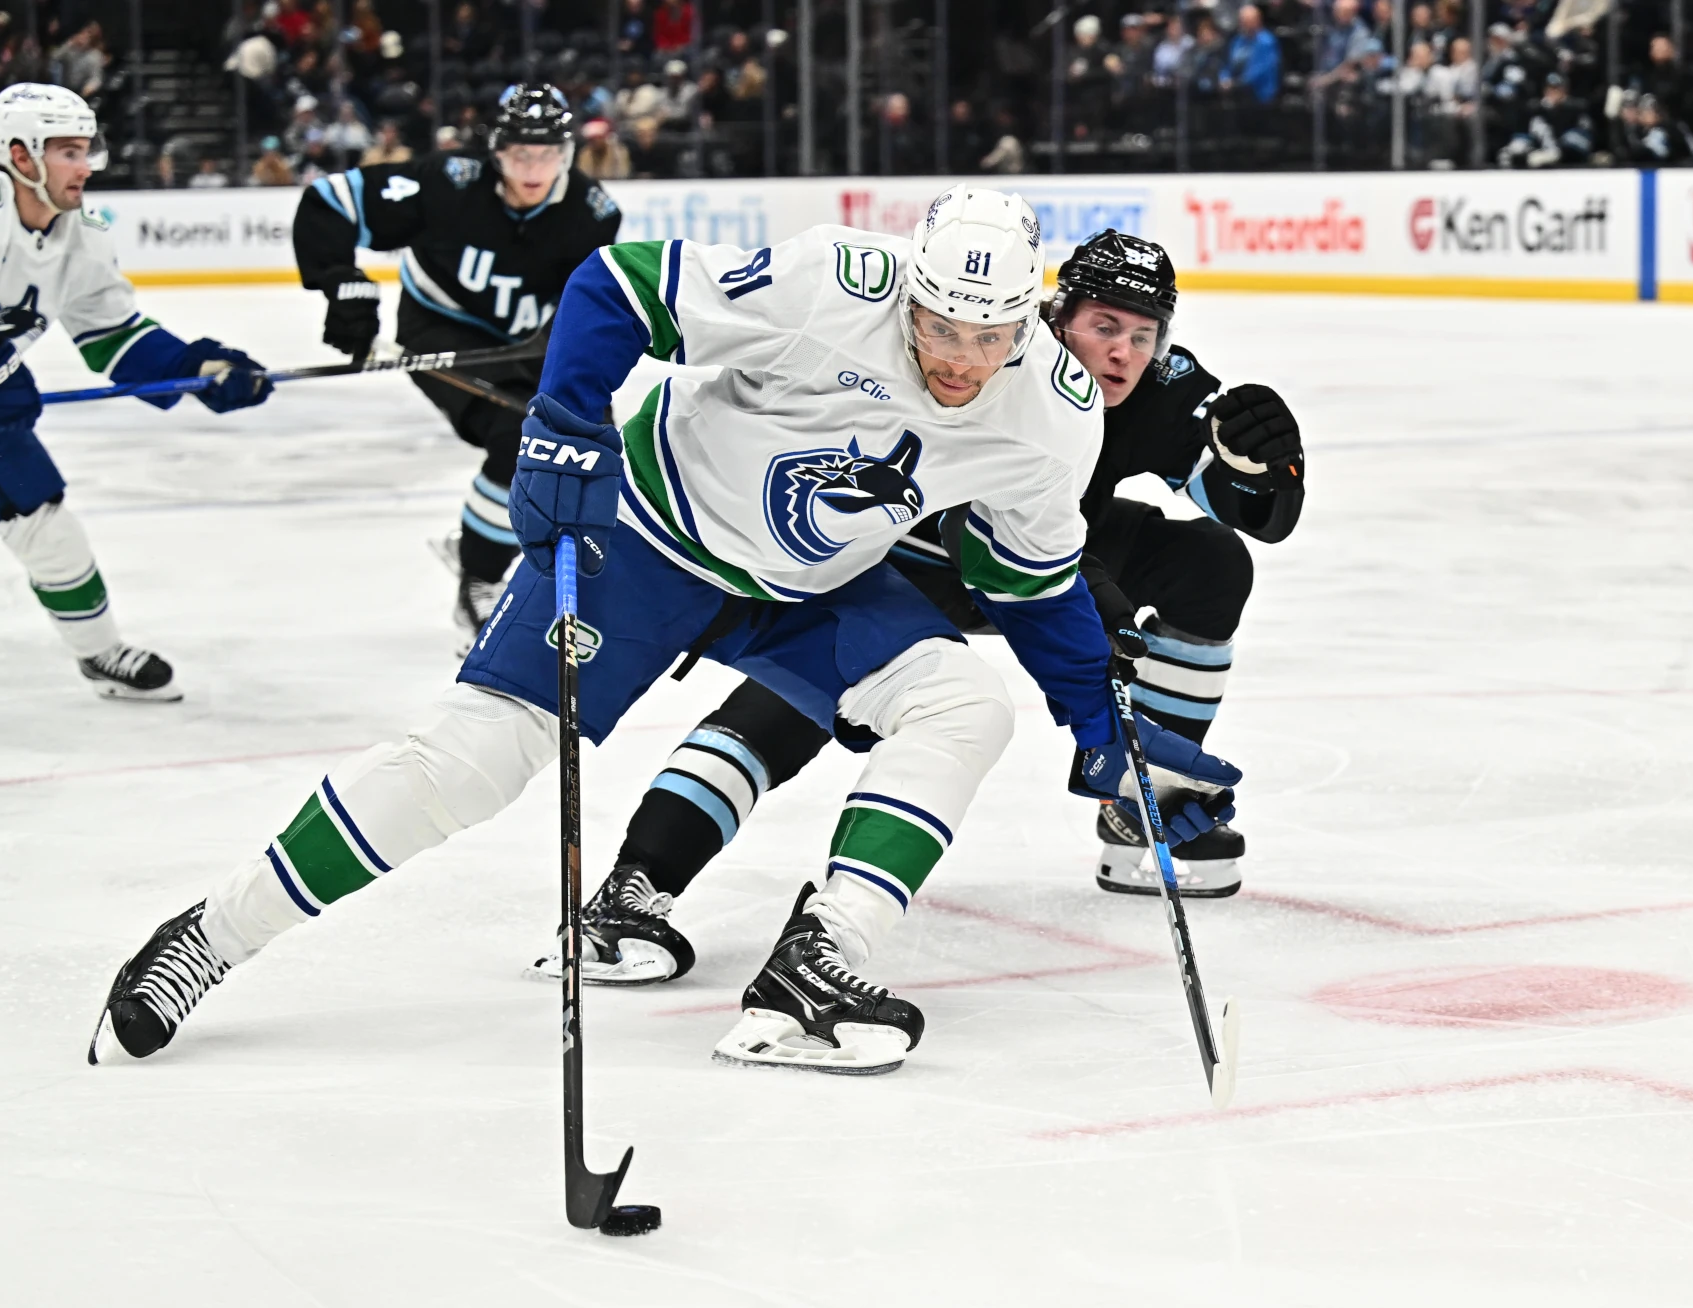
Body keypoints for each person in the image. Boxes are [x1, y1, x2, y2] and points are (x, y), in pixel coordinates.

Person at [88, 189, 1244, 1077]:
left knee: (964, 701)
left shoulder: (1052, 410)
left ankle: (816, 961)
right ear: (910, 294)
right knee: (472, 762)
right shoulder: (831, 279)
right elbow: (615, 285)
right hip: (648, 528)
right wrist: (563, 424)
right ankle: (211, 933)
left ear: (1025, 325)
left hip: (805, 585)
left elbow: (1028, 581)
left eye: (983, 343)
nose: (954, 362)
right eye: (937, 328)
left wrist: (1098, 725)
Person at [552, 227, 1304, 986]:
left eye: (1143, 336)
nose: (1122, 353)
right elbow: (965, 523)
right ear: (1052, 314)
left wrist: (1271, 462)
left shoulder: (1162, 385)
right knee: (793, 703)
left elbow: (1264, 514)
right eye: (1103, 326)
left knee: (1212, 562)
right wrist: (1091, 592)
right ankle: (640, 879)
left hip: (1041, 555)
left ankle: (1141, 801)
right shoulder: (993, 357)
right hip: (902, 550)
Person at [0, 84, 273, 753]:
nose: (87, 166)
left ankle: (100, 654)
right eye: (69, 152)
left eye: (88, 149)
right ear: (19, 154)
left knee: (45, 524)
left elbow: (113, 336)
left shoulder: (84, 234)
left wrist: (201, 370)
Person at [293, 85, 622, 652]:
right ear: (496, 151)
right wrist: (341, 282)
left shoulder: (593, 214)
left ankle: (539, 558)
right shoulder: (448, 182)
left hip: (526, 344)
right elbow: (330, 201)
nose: (533, 168)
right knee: (518, 437)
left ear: (567, 154)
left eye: (547, 154)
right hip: (440, 331)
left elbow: (586, 302)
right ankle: (481, 572)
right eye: (521, 154)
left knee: (589, 446)